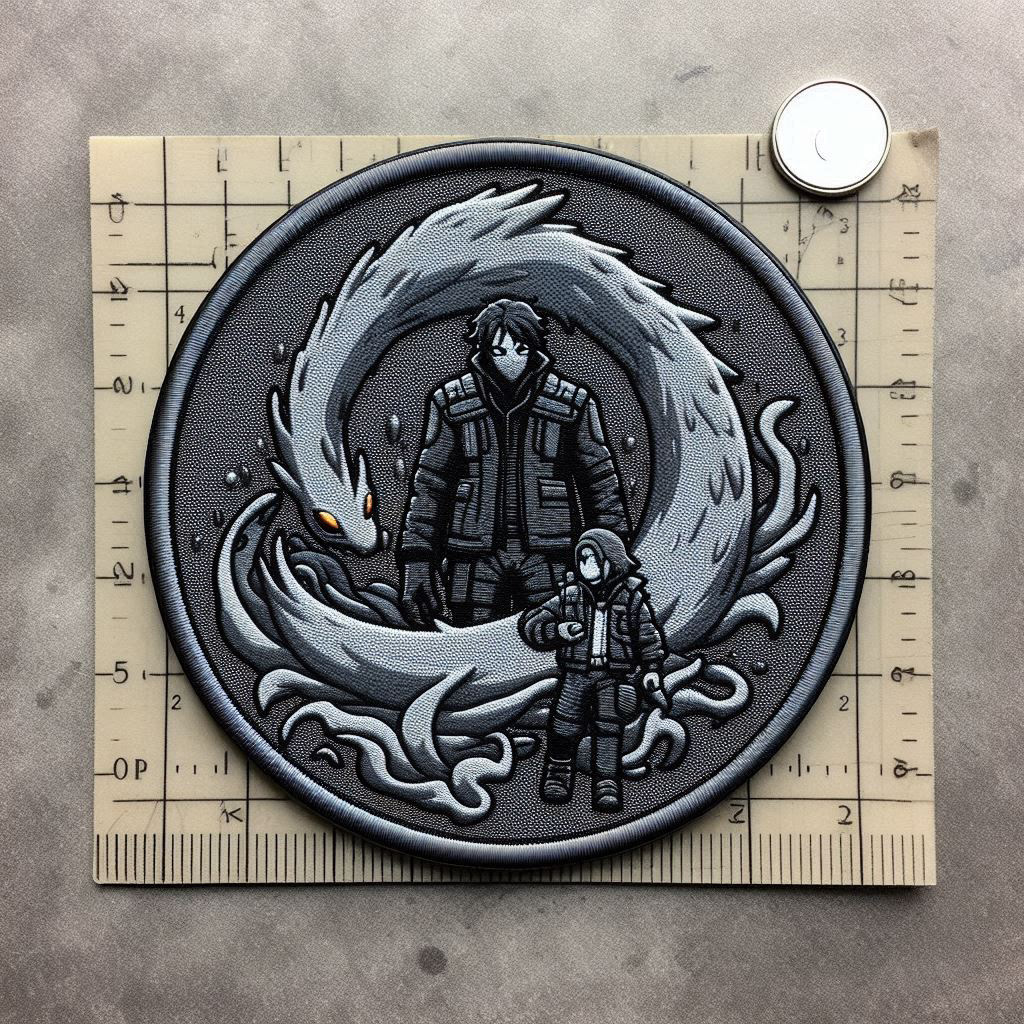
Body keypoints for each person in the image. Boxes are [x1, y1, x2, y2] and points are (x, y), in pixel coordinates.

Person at [398, 298, 630, 627]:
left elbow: (600, 482)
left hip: (550, 553)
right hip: (473, 553)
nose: (510, 360)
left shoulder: (571, 402)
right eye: (498, 351)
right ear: (483, 350)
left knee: (553, 635)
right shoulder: (451, 401)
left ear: (534, 347)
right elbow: (431, 483)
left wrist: (612, 554)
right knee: (472, 639)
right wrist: (417, 561)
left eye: (520, 349)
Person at [518, 528, 667, 812]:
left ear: (612, 560)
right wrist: (557, 630)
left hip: (613, 676)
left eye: (594, 560)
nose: (588, 567)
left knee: (609, 729)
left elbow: (648, 637)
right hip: (576, 675)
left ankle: (607, 783)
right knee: (563, 724)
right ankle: (558, 775)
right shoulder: (570, 596)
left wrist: (652, 670)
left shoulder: (632, 598)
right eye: (582, 560)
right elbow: (532, 624)